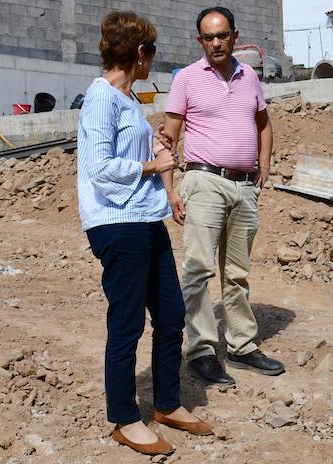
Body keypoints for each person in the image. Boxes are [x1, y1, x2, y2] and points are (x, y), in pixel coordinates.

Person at [77, 10, 212, 456]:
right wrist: (152, 164)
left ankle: (168, 403)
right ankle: (124, 418)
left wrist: (156, 150)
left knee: (171, 315)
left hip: (143, 217)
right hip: (117, 224)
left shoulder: (127, 99)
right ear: (138, 53)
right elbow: (99, 168)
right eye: (150, 51)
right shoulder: (102, 99)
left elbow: (127, 154)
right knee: (128, 323)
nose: (151, 60)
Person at [157, 6, 282, 386]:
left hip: (244, 187)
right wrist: (170, 189)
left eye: (222, 35)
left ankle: (242, 346)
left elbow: (263, 123)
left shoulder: (249, 78)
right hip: (204, 181)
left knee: (238, 273)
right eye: (208, 37)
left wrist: (264, 163)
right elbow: (167, 137)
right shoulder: (188, 79)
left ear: (234, 36)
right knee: (198, 270)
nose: (216, 42)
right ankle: (201, 350)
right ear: (200, 41)